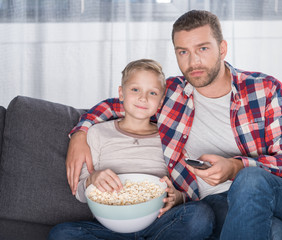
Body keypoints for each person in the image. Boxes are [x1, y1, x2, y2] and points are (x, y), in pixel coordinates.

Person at [66, 10, 282, 239]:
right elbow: (122, 103)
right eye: (183, 52)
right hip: (213, 205)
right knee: (275, 233)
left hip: (278, 196)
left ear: (222, 48)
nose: (193, 61)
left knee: (248, 181)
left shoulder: (264, 89)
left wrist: (235, 167)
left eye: (202, 48)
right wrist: (81, 131)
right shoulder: (170, 93)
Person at [48, 59, 214, 240]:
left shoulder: (169, 138)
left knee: (200, 215)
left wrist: (178, 197)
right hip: (110, 228)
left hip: (158, 224)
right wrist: (92, 180)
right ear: (121, 93)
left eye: (152, 93)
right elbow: (80, 192)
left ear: (160, 103)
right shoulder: (98, 133)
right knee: (61, 234)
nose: (143, 98)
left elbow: (184, 186)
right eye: (135, 90)